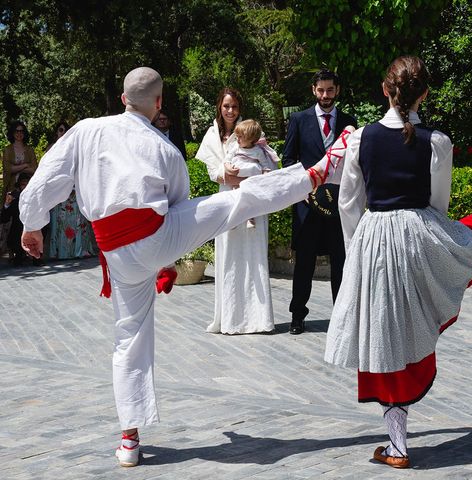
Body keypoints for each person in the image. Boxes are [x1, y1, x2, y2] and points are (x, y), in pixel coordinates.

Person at [19, 67, 351, 468]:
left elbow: (47, 178)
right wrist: (168, 256)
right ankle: (314, 173)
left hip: (116, 250)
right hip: (157, 235)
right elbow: (179, 206)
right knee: (235, 202)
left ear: (123, 98)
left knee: (129, 337)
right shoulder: (164, 148)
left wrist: (32, 224)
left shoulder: (86, 131)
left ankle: (129, 438)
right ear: (158, 104)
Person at [323, 56, 472, 469]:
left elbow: (348, 203)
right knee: (464, 250)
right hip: (416, 232)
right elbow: (437, 207)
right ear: (424, 94)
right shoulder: (437, 142)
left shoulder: (360, 139)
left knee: (384, 339)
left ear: (384, 90)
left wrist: (357, 251)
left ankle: (397, 445)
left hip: (374, 239)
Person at [282, 69, 357, 334]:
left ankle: (341, 317)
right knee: (304, 263)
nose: (325, 96)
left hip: (338, 206)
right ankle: (297, 316)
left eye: (330, 90)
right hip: (307, 205)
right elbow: (288, 160)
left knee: (340, 262)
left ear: (337, 90)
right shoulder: (299, 119)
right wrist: (304, 187)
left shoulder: (350, 122)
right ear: (314, 90)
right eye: (321, 90)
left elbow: (353, 164)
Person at [195, 89, 276, 334]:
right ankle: (228, 318)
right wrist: (225, 174)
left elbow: (269, 164)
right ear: (219, 107)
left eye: (235, 107)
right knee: (229, 254)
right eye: (226, 106)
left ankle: (258, 319)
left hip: (252, 198)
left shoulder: (251, 132)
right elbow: (212, 169)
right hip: (227, 197)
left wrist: (247, 173)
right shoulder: (211, 135)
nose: (230, 111)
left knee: (253, 254)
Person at [47, 121, 99, 259]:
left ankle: (81, 250)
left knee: (77, 220)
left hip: (75, 189)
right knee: (60, 222)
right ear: (56, 132)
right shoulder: (51, 149)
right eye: (60, 130)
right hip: (58, 191)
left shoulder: (77, 149)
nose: (62, 133)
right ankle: (60, 252)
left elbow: (83, 169)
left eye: (65, 130)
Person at [224, 119, 279, 228]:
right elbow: (227, 159)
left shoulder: (258, 151)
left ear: (251, 139)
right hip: (238, 174)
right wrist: (229, 168)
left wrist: (265, 176)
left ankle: (250, 217)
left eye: (240, 137)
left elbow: (265, 165)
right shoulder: (236, 147)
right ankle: (234, 219)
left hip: (252, 178)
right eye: (237, 136)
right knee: (236, 198)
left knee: (249, 198)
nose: (237, 139)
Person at [1, 172, 33, 266]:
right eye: (23, 184)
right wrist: (7, 204)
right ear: (19, 185)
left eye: (28, 184)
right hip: (18, 229)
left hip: (33, 226)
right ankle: (18, 255)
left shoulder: (36, 196)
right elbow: (4, 218)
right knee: (17, 230)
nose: (25, 186)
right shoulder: (15, 197)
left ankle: (36, 257)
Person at [2, 121, 37, 197]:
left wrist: (15, 168)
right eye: (17, 131)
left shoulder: (30, 150)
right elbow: (7, 169)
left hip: (28, 188)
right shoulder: (7, 150)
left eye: (21, 131)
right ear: (12, 133)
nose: (19, 133)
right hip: (11, 188)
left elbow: (34, 169)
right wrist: (25, 165)